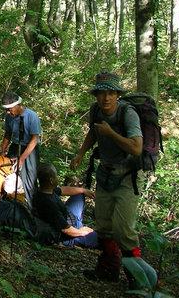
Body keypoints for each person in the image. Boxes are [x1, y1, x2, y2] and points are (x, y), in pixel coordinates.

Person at [70, 71, 144, 285]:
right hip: (105, 174)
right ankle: (108, 270)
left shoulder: (128, 113)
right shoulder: (96, 110)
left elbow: (137, 148)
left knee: (124, 230)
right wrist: (81, 153)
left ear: (117, 95)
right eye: (102, 93)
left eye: (111, 93)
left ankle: (138, 279)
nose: (106, 98)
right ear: (96, 95)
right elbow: (94, 132)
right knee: (103, 226)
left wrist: (110, 133)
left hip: (128, 177)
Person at [33, 163, 98, 248]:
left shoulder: (45, 190)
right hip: (67, 236)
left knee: (79, 193)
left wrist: (83, 190)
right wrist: (83, 231)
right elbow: (66, 230)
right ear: (51, 180)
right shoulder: (49, 204)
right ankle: (82, 228)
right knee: (99, 239)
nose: (57, 178)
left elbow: (63, 190)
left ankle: (80, 224)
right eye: (56, 176)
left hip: (70, 216)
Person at [0, 92, 41, 206]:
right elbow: (8, 133)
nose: (8, 112)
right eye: (6, 110)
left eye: (10, 109)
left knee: (29, 179)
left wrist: (22, 158)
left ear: (18, 105)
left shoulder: (31, 116)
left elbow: (34, 139)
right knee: (8, 173)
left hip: (30, 150)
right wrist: (3, 149)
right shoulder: (9, 117)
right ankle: (6, 203)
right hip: (15, 146)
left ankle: (31, 206)